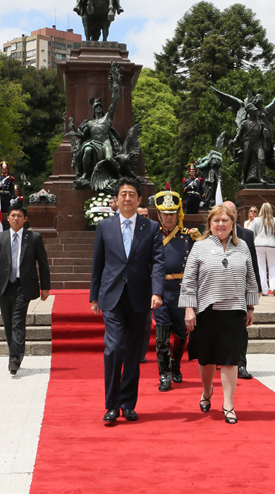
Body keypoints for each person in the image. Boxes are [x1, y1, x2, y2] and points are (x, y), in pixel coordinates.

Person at [90, 177, 166, 423]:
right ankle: (111, 405)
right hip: (111, 297)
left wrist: (157, 292)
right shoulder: (104, 227)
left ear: (139, 199)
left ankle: (128, 403)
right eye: (123, 194)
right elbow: (98, 264)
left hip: (139, 297)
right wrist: (94, 296)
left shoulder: (150, 227)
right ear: (116, 199)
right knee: (113, 349)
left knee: (133, 352)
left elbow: (157, 262)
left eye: (132, 194)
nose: (127, 198)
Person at [179, 205, 259, 424]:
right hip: (206, 310)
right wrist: (188, 308)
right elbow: (189, 281)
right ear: (209, 224)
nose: (221, 224)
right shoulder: (199, 246)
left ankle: (229, 404)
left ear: (233, 223)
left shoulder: (242, 246)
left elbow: (251, 279)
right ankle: (207, 391)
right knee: (206, 360)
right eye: (216, 221)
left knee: (230, 359)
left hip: (234, 311)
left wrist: (250, 307)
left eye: (225, 220)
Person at [153, 184, 200, 391]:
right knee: (162, 337)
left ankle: (175, 362)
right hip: (161, 292)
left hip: (182, 292)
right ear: (159, 215)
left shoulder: (189, 236)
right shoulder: (152, 237)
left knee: (181, 335)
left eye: (172, 213)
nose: (169, 217)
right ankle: (164, 375)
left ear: (177, 213)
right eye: (165, 214)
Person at [0, 203, 50, 376]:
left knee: (18, 321)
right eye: (12, 215)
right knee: (8, 324)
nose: (15, 218)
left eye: (19, 216)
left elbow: (43, 264)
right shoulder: (1, 238)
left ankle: (14, 359)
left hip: (23, 286)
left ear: (25, 219)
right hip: (4, 287)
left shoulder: (33, 238)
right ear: (7, 218)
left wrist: (45, 288)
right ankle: (15, 353)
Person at [223, 200, 262, 379]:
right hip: (220, 289)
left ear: (237, 215)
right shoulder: (214, 233)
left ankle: (241, 364)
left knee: (241, 329)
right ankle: (222, 360)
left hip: (240, 290)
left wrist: (256, 291)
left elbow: (253, 264)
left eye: (232, 213)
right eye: (225, 212)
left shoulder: (246, 234)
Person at [251, 202, 275, 296]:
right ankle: (274, 287)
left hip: (259, 244)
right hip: (271, 244)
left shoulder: (256, 220)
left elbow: (253, 234)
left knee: (261, 267)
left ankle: (264, 289)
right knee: (272, 266)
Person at [137, 205, 152, 364]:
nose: (145, 218)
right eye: (142, 215)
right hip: (131, 283)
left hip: (148, 284)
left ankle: (141, 353)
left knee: (146, 322)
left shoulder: (155, 232)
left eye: (147, 215)